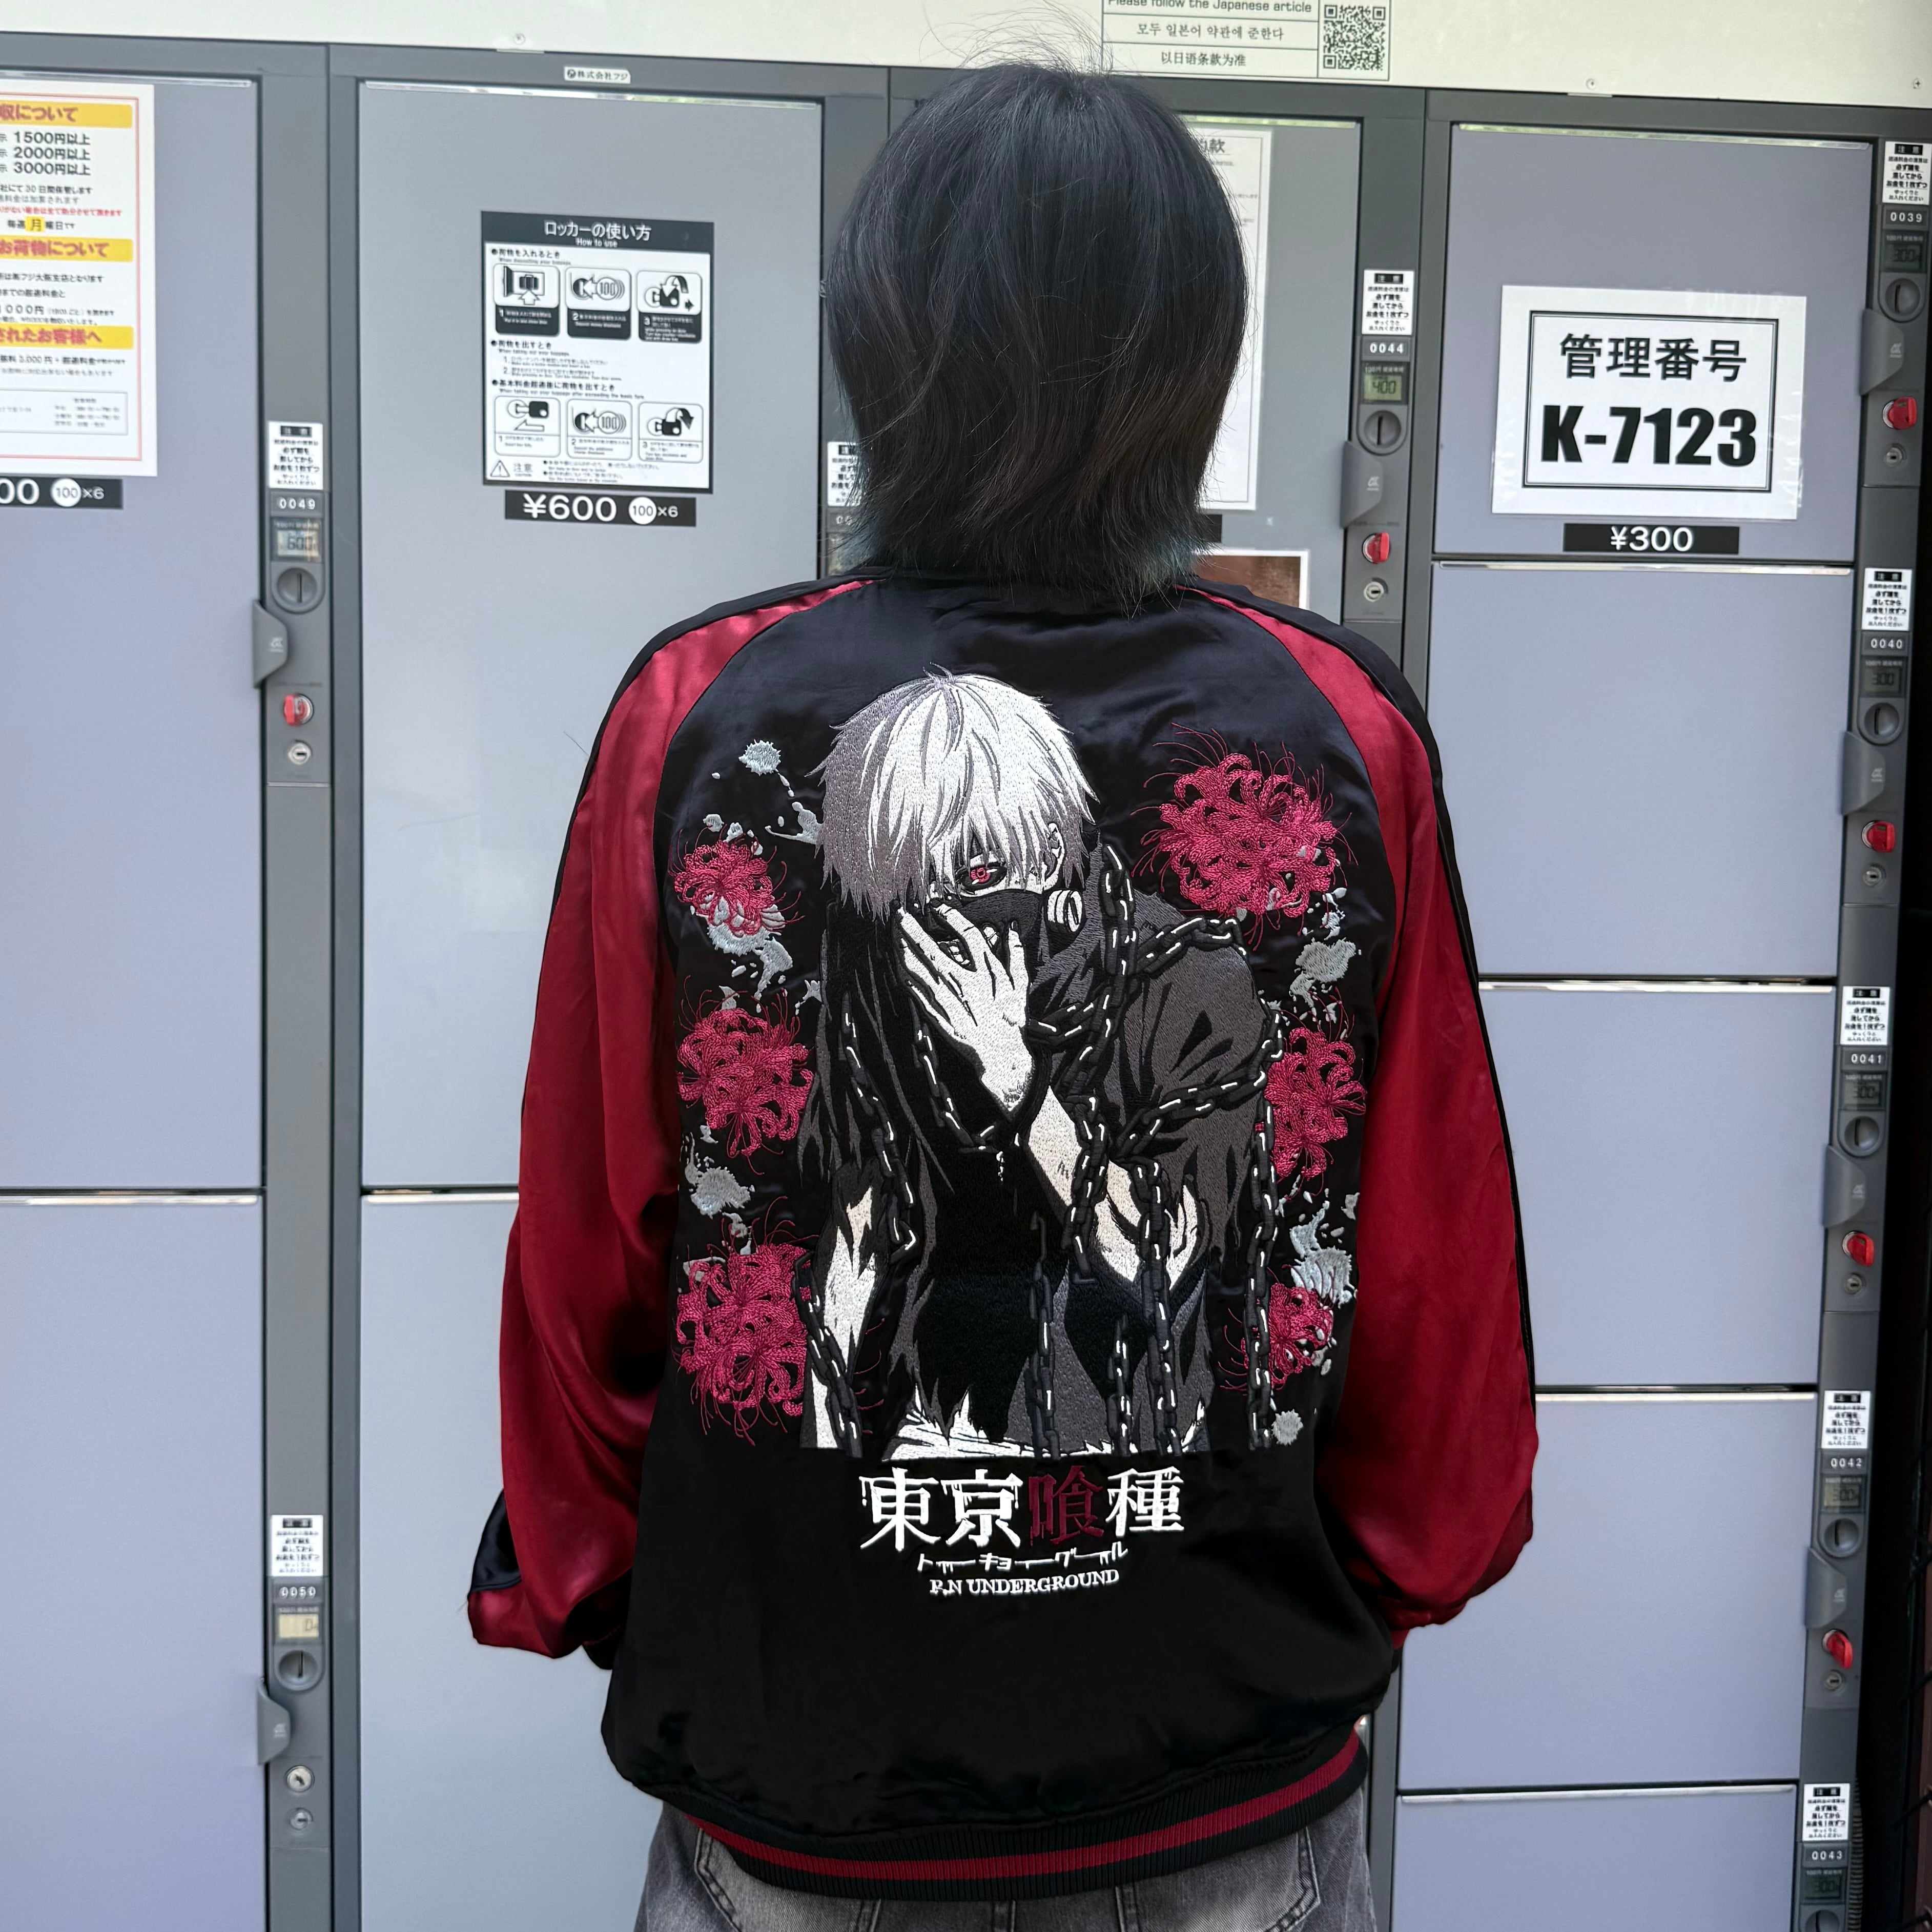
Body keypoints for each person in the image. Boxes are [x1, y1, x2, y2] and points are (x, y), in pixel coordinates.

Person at [467, 60, 1536, 1930]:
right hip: (1217, 1764)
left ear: (879, 354)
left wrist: (637, 1591)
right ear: (1191, 368)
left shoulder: (702, 709)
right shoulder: (1332, 724)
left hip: (805, 1776)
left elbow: (588, 1247)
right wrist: (1341, 1595)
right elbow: (1438, 1280)